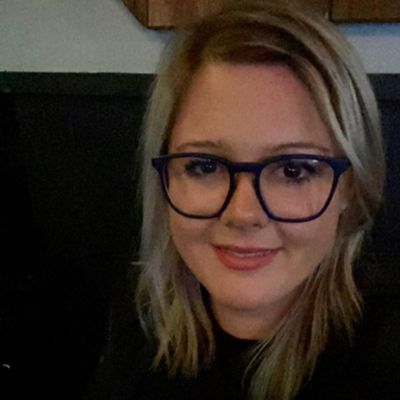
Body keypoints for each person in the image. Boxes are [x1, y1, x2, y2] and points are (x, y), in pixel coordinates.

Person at [89, 1, 400, 399]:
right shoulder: (142, 318)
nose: (243, 213)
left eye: (293, 170)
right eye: (204, 166)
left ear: (350, 188)